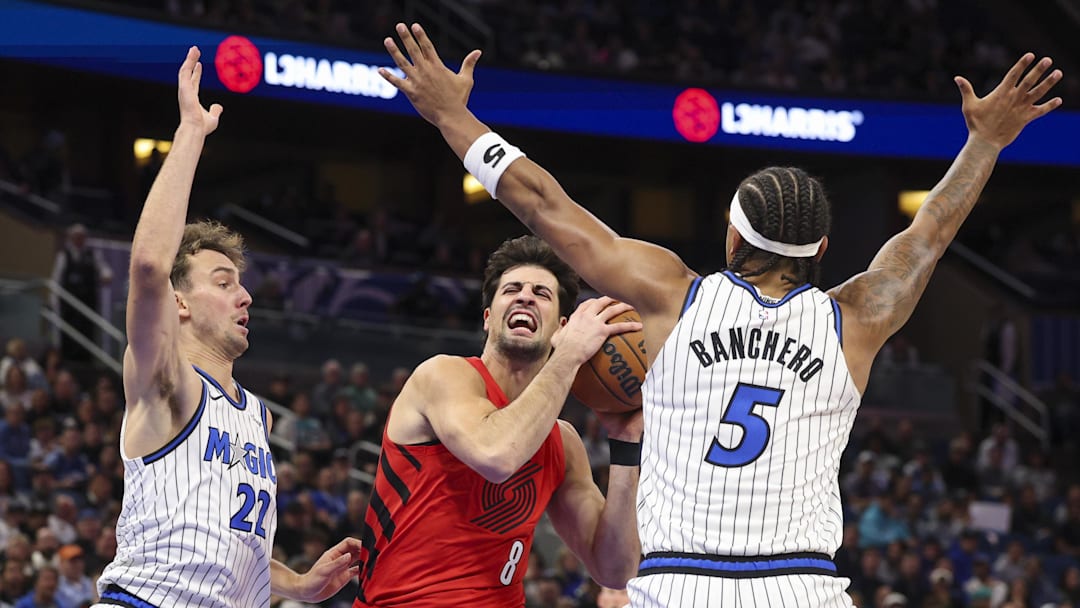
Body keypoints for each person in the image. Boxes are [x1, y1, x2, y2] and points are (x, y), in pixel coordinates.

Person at [379, 23, 1063, 607]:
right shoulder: (855, 321)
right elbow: (928, 237)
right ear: (821, 249)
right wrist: (985, 143)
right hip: (804, 587)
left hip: (676, 582)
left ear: (732, 237)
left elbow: (543, 204)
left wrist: (451, 117)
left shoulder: (670, 294)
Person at [91, 47, 360, 608]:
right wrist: (191, 131)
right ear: (179, 302)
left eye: (241, 282)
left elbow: (228, 536)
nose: (244, 295)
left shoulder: (256, 413)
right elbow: (147, 267)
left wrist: (298, 584)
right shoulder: (166, 379)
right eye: (221, 281)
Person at [352, 235, 643, 606]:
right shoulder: (444, 375)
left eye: (542, 293)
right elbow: (496, 455)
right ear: (488, 318)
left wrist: (625, 445)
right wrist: (568, 357)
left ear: (561, 327)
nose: (525, 296)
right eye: (512, 289)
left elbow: (615, 569)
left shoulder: (563, 443)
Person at [50, 223, 113, 362]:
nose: (79, 240)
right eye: (76, 237)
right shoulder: (64, 256)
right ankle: (68, 358)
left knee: (87, 331)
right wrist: (55, 301)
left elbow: (104, 270)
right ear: (71, 238)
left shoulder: (92, 254)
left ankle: (85, 359)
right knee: (69, 332)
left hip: (87, 302)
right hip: (69, 304)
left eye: (82, 237)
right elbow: (56, 280)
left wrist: (106, 275)